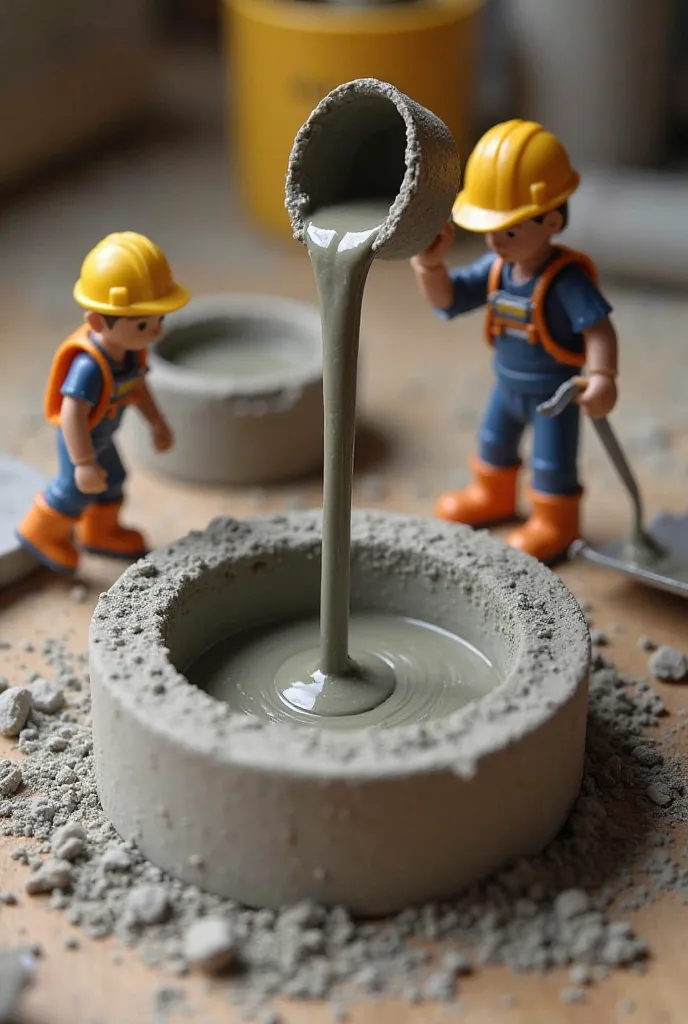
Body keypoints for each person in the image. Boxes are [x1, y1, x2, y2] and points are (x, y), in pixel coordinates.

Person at [410, 119, 618, 563]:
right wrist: (430, 267)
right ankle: (494, 496)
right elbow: (448, 301)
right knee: (493, 442)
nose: (495, 241)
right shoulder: (495, 269)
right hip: (505, 387)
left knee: (551, 463)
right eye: (490, 228)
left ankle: (555, 522)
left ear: (552, 220)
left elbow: (599, 329)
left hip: (554, 397)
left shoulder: (566, 281)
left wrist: (602, 377)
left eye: (509, 230)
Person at [16, 231, 189, 574]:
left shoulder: (131, 353)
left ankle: (99, 532)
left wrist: (157, 422)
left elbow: (138, 389)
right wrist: (82, 462)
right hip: (80, 440)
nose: (155, 331)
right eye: (143, 323)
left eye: (159, 319)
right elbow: (71, 416)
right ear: (97, 322)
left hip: (103, 437)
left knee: (112, 477)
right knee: (74, 489)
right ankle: (39, 533)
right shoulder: (89, 366)